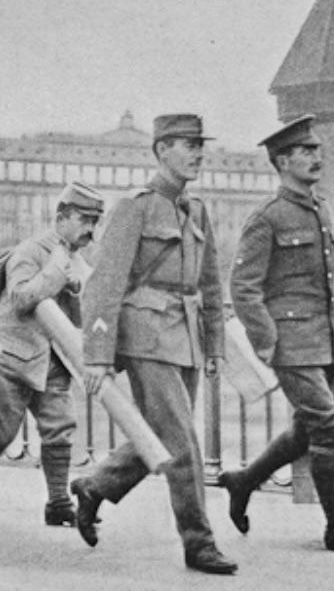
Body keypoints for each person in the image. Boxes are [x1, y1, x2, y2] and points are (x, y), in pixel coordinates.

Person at [69, 114, 237, 575]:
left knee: (163, 436)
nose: (198, 153)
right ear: (161, 150)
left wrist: (216, 344)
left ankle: (96, 485)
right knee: (182, 439)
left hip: (186, 339)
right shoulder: (134, 208)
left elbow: (209, 283)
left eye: (200, 145)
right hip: (145, 337)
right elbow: (104, 285)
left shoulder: (197, 210)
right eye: (187, 145)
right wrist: (99, 356)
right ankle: (199, 543)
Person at [219, 114, 334, 556]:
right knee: (327, 424)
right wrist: (268, 342)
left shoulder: (320, 209)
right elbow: (243, 288)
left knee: (306, 431)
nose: (316, 158)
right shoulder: (267, 218)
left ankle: (243, 481)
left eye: (317, 151)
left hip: (326, 339)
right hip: (292, 344)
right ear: (282, 161)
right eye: (305, 153)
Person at [0, 182, 105, 528]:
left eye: (96, 220)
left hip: (53, 361)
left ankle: (59, 503)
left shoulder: (76, 259)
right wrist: (58, 276)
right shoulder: (31, 251)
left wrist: (76, 291)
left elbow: (77, 318)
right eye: (85, 219)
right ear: (61, 218)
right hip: (9, 361)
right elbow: (20, 298)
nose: (91, 229)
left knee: (60, 428)